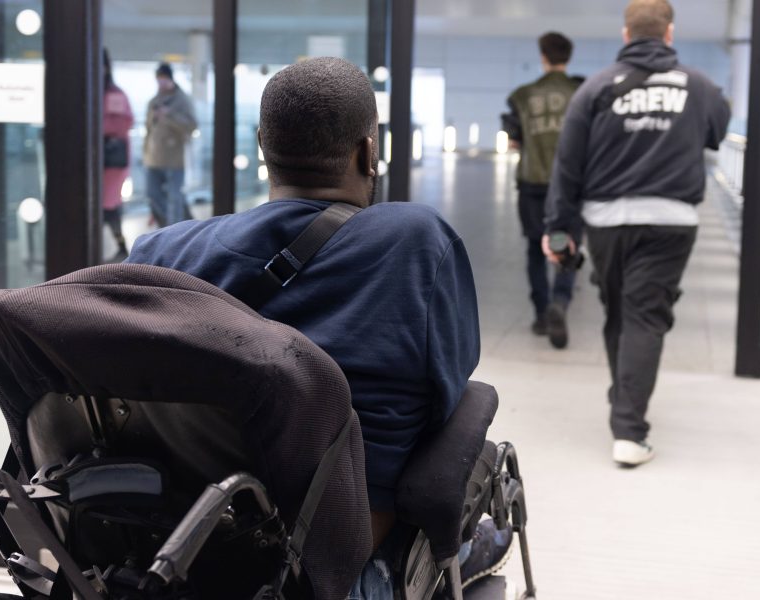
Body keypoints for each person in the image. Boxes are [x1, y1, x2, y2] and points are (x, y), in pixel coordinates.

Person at [126, 57, 509, 597]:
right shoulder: (416, 243)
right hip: (337, 567)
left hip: (189, 550)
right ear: (368, 151)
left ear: (263, 146)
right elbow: (444, 394)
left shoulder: (163, 251)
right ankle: (465, 552)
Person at [544, 0, 730, 467]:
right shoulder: (702, 87)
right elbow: (716, 132)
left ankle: (626, 411)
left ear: (627, 35)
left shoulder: (597, 88)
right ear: (669, 34)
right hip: (671, 223)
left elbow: (569, 163)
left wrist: (559, 226)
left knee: (620, 312)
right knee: (644, 316)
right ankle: (628, 423)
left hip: (606, 222)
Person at [504, 32, 582, 349]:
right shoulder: (581, 93)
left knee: (536, 250)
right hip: (569, 188)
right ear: (568, 57)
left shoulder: (522, 96)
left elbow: (513, 141)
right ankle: (560, 304)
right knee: (566, 248)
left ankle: (540, 314)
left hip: (533, 187)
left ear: (543, 57)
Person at [143, 62, 197, 227]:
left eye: (164, 79)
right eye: (159, 79)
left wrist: (169, 116)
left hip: (174, 158)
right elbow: (148, 128)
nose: (161, 83)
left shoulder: (182, 100)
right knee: (152, 194)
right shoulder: (154, 101)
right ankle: (168, 227)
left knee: (175, 198)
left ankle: (175, 232)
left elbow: (192, 125)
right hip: (152, 157)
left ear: (171, 79)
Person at [102, 49, 134, 262]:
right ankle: (119, 244)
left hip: (112, 158)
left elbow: (126, 122)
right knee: (107, 204)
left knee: (109, 203)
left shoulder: (115, 94)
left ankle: (121, 245)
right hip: (102, 155)